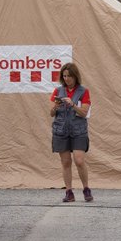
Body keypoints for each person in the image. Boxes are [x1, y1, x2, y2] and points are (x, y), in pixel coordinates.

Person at [49, 62, 93, 202]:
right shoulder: (57, 91)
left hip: (78, 130)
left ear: (75, 76)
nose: (67, 79)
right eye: (64, 76)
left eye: (69, 76)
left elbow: (84, 112)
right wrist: (55, 107)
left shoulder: (83, 91)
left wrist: (72, 104)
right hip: (61, 130)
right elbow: (51, 113)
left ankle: (86, 189)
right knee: (66, 162)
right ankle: (69, 192)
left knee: (79, 160)